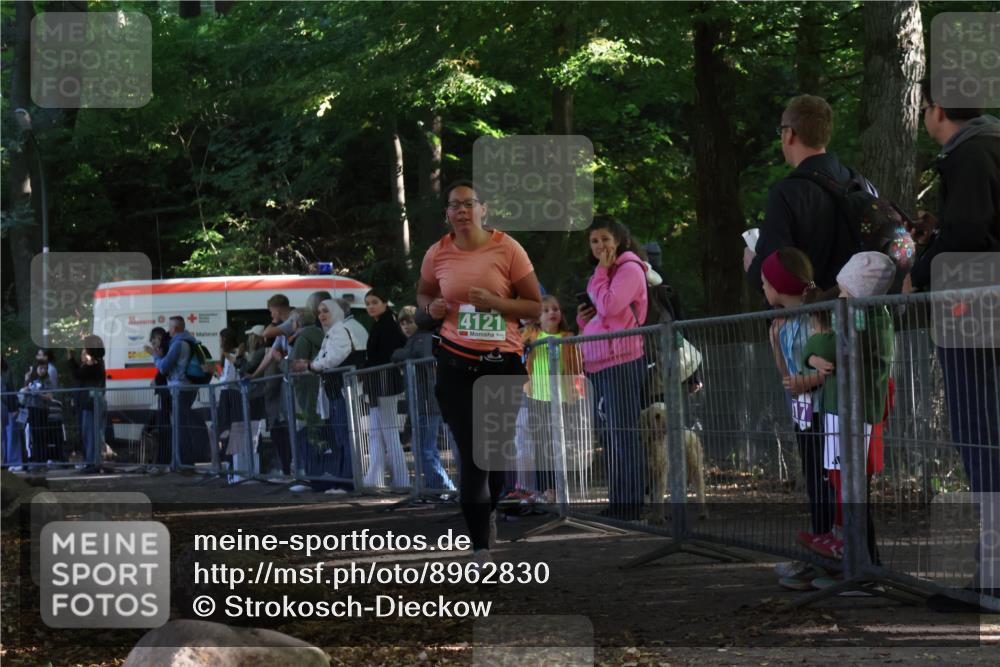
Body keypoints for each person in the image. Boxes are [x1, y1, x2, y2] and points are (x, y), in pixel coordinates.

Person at [418, 179, 542, 573]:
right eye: (455, 205)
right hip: (454, 363)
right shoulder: (437, 253)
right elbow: (422, 295)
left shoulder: (508, 248)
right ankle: (478, 552)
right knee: (473, 454)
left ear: (483, 210)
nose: (462, 211)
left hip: (500, 363)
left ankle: (487, 511)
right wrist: (432, 308)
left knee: (495, 456)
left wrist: (497, 303)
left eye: (469, 204)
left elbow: (535, 306)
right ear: (448, 214)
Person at [909, 78, 1000, 612]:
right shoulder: (988, 148)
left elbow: (969, 235)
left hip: (978, 318)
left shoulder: (968, 155)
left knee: (982, 437)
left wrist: (921, 270)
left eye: (923, 108)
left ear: (937, 108)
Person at [799, 252, 895, 592]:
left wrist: (811, 349)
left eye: (842, 293)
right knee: (841, 481)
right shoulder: (862, 315)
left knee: (848, 484)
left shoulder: (864, 318)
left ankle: (852, 554)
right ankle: (842, 545)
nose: (838, 300)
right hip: (843, 412)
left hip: (855, 416)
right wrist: (813, 354)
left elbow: (829, 345)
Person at [756, 248, 834, 591]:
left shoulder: (815, 318)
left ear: (778, 284)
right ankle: (818, 554)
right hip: (802, 414)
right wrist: (774, 340)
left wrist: (810, 380)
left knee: (827, 484)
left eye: (764, 283)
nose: (762, 289)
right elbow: (786, 375)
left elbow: (827, 365)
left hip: (823, 412)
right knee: (814, 484)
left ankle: (832, 556)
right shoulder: (782, 324)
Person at [745, 95, 876, 294]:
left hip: (814, 317)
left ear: (789, 134)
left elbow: (774, 274)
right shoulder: (860, 183)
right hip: (865, 311)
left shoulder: (787, 194)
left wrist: (753, 266)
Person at [576, 217, 648, 521]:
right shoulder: (605, 272)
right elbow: (601, 316)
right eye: (594, 241)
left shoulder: (629, 269)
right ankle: (619, 501)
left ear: (618, 239)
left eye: (605, 239)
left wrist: (602, 272)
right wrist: (584, 322)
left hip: (622, 361)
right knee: (609, 435)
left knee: (623, 434)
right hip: (599, 363)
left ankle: (631, 503)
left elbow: (609, 306)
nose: (600, 246)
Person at [294, 298, 368, 484]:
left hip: (342, 389)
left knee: (345, 433)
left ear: (335, 312)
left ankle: (350, 478)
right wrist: (312, 365)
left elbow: (334, 357)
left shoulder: (340, 330)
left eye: (325, 311)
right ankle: (347, 476)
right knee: (342, 433)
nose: (321, 315)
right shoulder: (334, 331)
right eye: (319, 312)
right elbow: (325, 357)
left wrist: (311, 366)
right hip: (336, 389)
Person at [519, 295, 584, 503]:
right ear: (537, 317)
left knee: (561, 445)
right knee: (541, 444)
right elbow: (516, 344)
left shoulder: (568, 336)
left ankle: (561, 487)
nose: (552, 313)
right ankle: (546, 489)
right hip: (537, 397)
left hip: (562, 399)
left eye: (555, 309)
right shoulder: (531, 335)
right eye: (546, 310)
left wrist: (576, 392)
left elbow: (576, 367)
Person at [391, 308, 457, 494]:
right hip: (423, 401)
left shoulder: (423, 339)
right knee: (425, 449)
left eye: (409, 322)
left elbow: (411, 358)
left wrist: (398, 354)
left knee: (424, 449)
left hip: (428, 402)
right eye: (402, 324)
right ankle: (436, 487)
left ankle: (442, 488)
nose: (406, 327)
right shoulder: (416, 340)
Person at [361, 288, 409, 488]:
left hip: (385, 385)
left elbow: (385, 356)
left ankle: (401, 480)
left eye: (374, 302)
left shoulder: (388, 324)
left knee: (388, 433)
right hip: (377, 385)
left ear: (384, 302)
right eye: (368, 303)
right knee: (377, 434)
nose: (370, 307)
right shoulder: (382, 324)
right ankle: (375, 479)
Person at [147, 316, 210, 466]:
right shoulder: (190, 341)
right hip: (189, 387)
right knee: (181, 425)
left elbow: (163, 367)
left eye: (169, 328)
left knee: (180, 428)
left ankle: (184, 463)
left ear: (175, 329)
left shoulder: (178, 344)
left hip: (180, 388)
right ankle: (182, 462)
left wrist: (154, 354)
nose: (168, 331)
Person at [67, 335, 106, 473]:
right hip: (88, 403)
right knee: (88, 433)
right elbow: (81, 373)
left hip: (91, 404)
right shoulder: (96, 363)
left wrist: (71, 360)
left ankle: (92, 462)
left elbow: (79, 374)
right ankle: (90, 461)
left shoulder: (95, 364)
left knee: (90, 433)